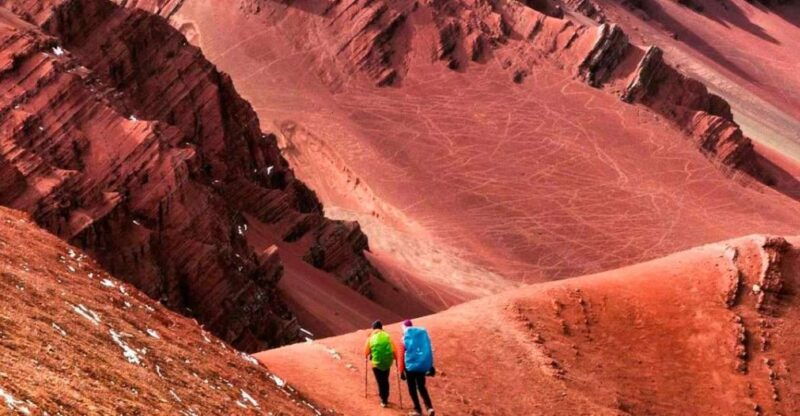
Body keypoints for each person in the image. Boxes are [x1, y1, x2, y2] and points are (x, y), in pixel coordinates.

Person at [401, 319, 436, 416]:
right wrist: (430, 366)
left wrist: (401, 370)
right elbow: (428, 350)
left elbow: (401, 355)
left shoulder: (405, 338)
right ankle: (429, 408)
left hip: (410, 367)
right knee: (421, 387)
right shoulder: (421, 336)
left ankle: (417, 410)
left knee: (412, 388)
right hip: (421, 365)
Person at [364, 320, 402, 408]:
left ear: (373, 328)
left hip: (376, 363)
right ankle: (386, 398)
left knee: (380, 381)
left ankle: (383, 400)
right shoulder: (387, 336)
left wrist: (368, 355)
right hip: (387, 362)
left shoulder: (371, 337)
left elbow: (366, 352)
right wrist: (396, 360)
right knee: (385, 380)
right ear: (381, 328)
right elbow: (394, 349)